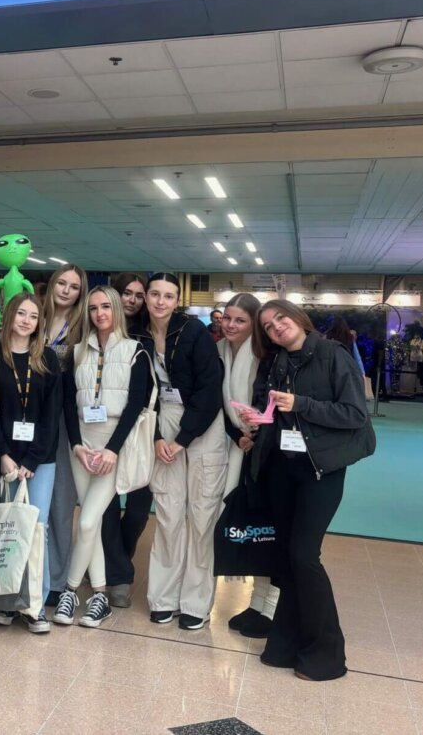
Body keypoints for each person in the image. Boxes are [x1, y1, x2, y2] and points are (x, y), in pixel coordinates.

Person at [254, 299, 372, 681]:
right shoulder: (277, 361)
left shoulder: (333, 355)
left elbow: (354, 414)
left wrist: (301, 404)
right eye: (268, 325)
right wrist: (257, 418)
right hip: (283, 469)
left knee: (304, 556)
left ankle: (327, 653)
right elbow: (272, 411)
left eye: (280, 318)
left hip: (321, 470)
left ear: (298, 317)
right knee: (287, 557)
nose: (276, 327)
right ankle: (287, 643)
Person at [57, 285, 152, 630]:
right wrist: (76, 446)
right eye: (94, 308)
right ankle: (99, 596)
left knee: (86, 522)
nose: (100, 314)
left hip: (114, 446)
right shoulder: (76, 352)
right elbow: (68, 403)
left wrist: (113, 449)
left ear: (117, 310)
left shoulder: (135, 351)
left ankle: (70, 590)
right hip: (82, 446)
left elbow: (136, 405)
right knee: (93, 522)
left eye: (106, 307)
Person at [144, 272, 227, 632]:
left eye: (168, 296)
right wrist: (156, 438)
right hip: (163, 421)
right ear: (146, 297)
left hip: (203, 424)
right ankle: (163, 597)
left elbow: (210, 389)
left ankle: (196, 602)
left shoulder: (194, 332)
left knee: (203, 515)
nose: (160, 301)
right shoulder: (138, 334)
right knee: (168, 513)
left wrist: (183, 438)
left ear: (177, 301)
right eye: (155, 294)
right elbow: (138, 391)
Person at [0, 293, 61, 634]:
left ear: (39, 323)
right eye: (21, 313)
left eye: (33, 316)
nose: (26, 320)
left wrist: (32, 458)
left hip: (40, 460)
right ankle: (5, 602)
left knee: (35, 529)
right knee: (7, 529)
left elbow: (51, 414)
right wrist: (3, 455)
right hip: (4, 458)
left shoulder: (47, 358)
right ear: (9, 316)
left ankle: (34, 605)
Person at [217, 293, 280, 638]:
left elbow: (275, 406)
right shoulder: (220, 352)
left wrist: (258, 435)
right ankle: (257, 603)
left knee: (268, 529)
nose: (230, 325)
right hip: (240, 446)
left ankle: (272, 608)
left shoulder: (267, 355)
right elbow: (220, 404)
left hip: (269, 452)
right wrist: (237, 434)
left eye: (240, 320)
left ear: (254, 323)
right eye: (227, 317)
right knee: (252, 526)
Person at [101, 271, 152, 608]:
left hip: (142, 430)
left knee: (138, 508)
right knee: (104, 506)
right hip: (103, 429)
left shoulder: (148, 335)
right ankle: (118, 574)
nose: (132, 299)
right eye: (127, 293)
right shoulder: (98, 331)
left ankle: (116, 557)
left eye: (138, 294)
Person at [40, 262, 87, 607]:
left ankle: (56, 580)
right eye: (62, 283)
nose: (66, 291)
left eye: (74, 286)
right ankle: (28, 575)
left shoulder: (83, 327)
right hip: (27, 417)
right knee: (29, 502)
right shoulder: (33, 317)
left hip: (63, 420)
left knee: (60, 502)